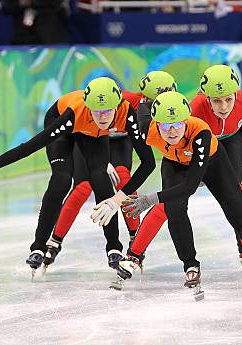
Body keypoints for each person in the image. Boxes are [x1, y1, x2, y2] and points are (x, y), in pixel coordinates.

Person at [97, 91, 242, 294]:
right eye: (166, 126)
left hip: (213, 164)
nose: (172, 132)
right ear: (156, 124)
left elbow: (190, 186)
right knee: (175, 211)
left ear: (187, 120)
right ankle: (190, 264)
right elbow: (142, 109)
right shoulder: (147, 129)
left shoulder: (201, 134)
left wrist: (150, 199)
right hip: (174, 164)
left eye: (178, 124)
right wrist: (117, 198)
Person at [0, 77, 156, 277]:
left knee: (100, 180)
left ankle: (113, 247)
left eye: (107, 112)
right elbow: (29, 147)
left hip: (93, 135)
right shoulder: (73, 114)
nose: (102, 117)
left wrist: (116, 200)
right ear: (88, 107)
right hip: (65, 126)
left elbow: (149, 163)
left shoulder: (127, 113)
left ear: (118, 106)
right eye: (97, 111)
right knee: (61, 179)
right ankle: (38, 247)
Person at [119, 65, 242, 278]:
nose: (224, 107)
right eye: (216, 100)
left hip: (228, 144)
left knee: (237, 194)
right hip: (195, 146)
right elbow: (171, 128)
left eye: (228, 99)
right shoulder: (194, 109)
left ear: (235, 95)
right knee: (171, 204)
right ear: (206, 98)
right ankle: (135, 254)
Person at [42, 71, 178, 270]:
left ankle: (134, 238)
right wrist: (101, 161)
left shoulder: (168, 113)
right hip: (90, 139)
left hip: (120, 142)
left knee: (124, 178)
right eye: (152, 102)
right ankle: (54, 241)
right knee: (83, 188)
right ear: (144, 97)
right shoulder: (123, 100)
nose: (158, 109)